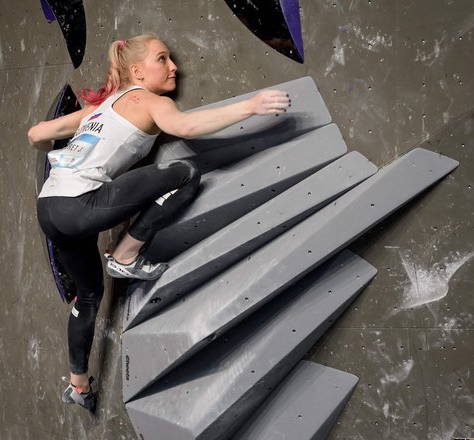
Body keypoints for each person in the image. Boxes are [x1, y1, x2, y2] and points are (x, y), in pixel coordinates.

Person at [27, 33, 290, 411]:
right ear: (137, 70)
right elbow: (186, 128)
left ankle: (78, 385)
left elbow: (37, 133)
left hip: (50, 208)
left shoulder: (101, 108)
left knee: (88, 297)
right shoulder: (148, 100)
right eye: (162, 59)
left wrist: (74, 152)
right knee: (184, 174)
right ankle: (126, 255)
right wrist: (251, 105)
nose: (174, 67)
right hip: (80, 205)